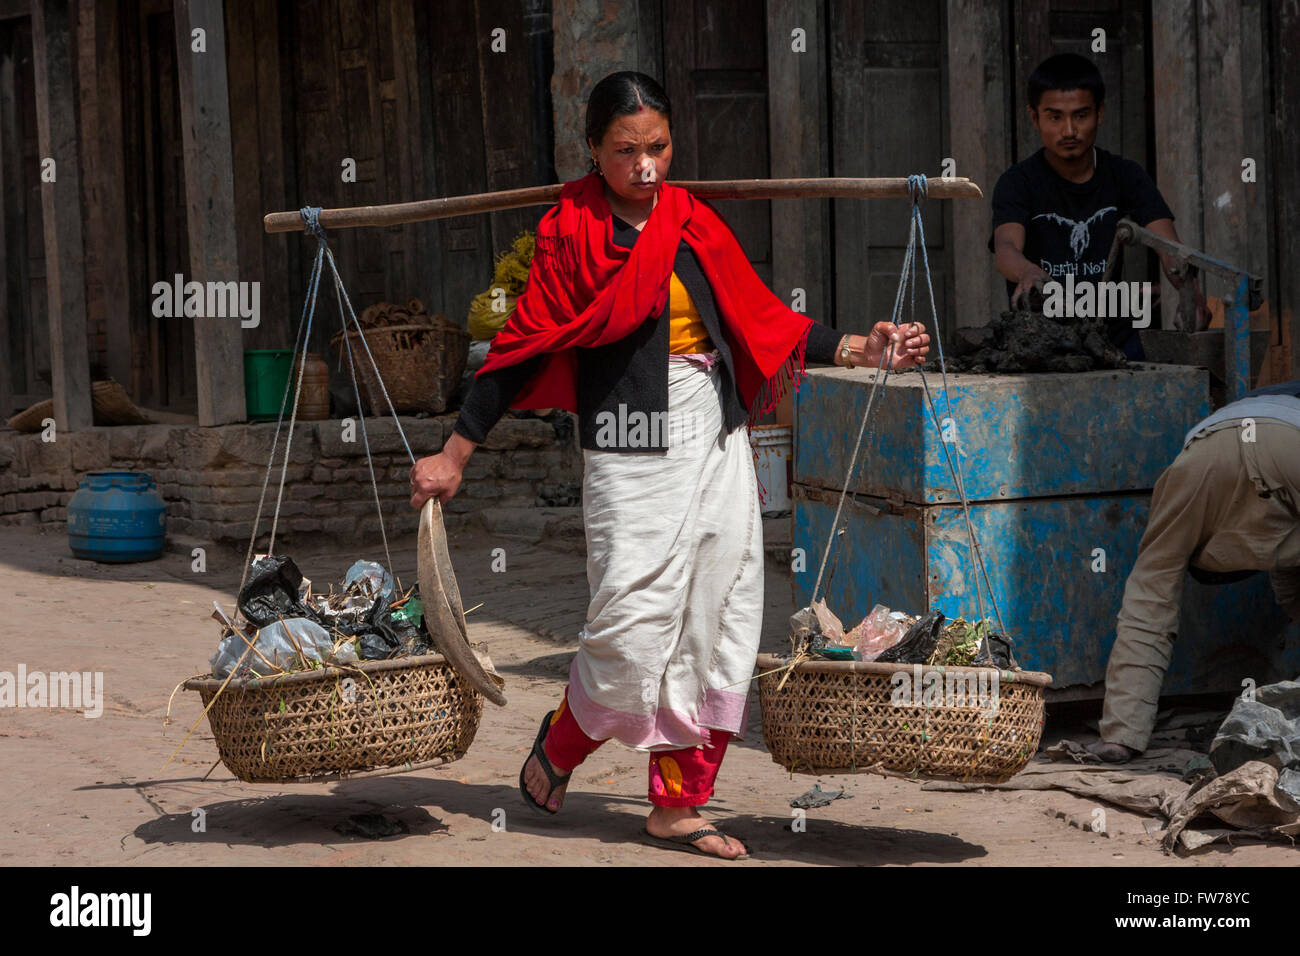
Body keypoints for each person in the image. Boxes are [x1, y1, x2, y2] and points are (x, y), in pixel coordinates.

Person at [408, 71, 930, 859]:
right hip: (626, 442)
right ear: (592, 149)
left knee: (718, 615)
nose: (645, 166)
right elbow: (524, 349)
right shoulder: (568, 234)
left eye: (657, 147)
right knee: (631, 623)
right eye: (626, 151)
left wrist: (862, 346)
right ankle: (563, 743)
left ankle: (679, 803)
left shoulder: (693, 223)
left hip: (713, 433)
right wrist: (455, 451)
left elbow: (764, 320)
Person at [1088, 381, 1300, 763]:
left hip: (1206, 453)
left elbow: (1148, 606)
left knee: (1151, 590)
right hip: (1288, 438)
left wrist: (1122, 728)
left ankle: (1121, 735)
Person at [989, 52, 1207, 355]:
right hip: (1041, 345)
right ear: (1034, 117)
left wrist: (1191, 298)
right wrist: (1027, 273)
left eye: (1080, 115)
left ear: (1100, 113)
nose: (1068, 130)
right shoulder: (1017, 182)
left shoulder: (1125, 176)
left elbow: (1170, 248)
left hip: (1113, 340)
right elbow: (1005, 249)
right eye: (1054, 117)